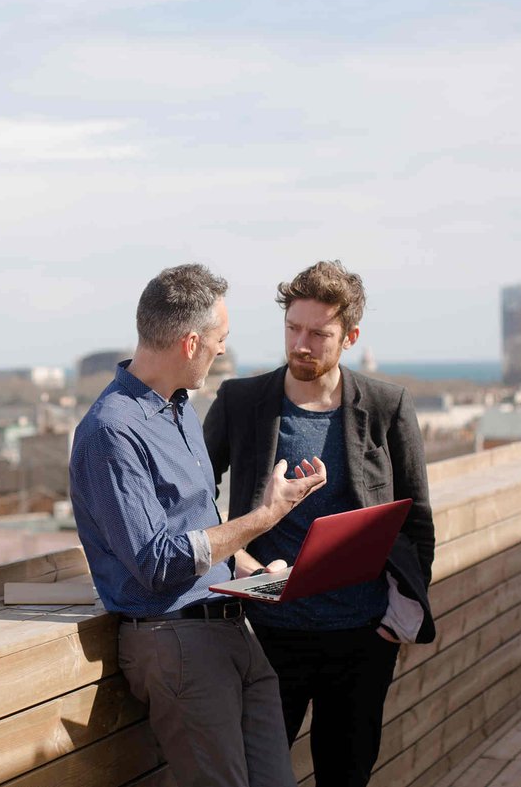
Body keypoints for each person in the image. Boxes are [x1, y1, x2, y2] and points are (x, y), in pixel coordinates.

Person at [70, 263, 328, 787]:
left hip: (232, 627)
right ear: (191, 342)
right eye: (219, 340)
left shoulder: (182, 409)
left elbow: (200, 529)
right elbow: (157, 562)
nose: (222, 351)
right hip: (178, 644)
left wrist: (256, 571)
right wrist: (265, 517)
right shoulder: (110, 433)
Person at [203, 260, 435, 787]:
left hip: (361, 638)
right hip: (266, 636)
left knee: (346, 776)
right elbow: (192, 495)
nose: (301, 344)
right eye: (293, 328)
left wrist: (397, 620)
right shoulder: (242, 402)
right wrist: (237, 558)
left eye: (318, 333)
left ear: (350, 336)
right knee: (259, 777)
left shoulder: (386, 405)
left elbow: (416, 520)